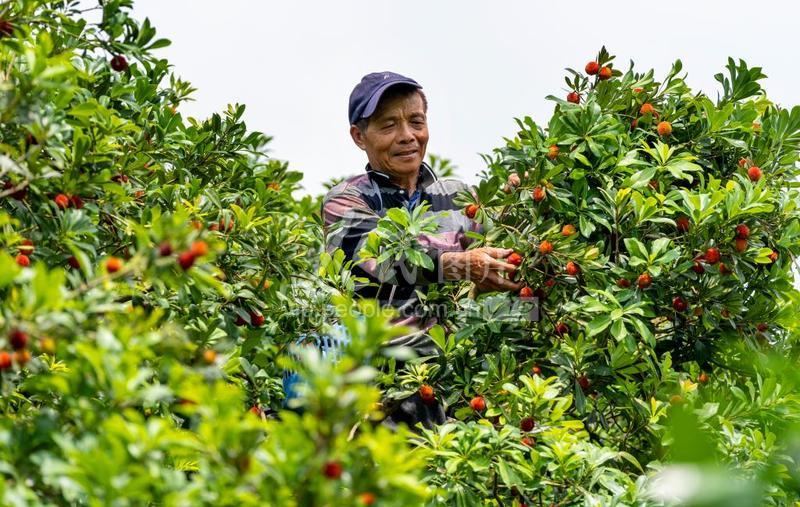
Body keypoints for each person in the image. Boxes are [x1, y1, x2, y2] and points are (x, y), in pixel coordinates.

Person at [321, 72, 522, 428]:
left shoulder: (460, 198)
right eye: (389, 126)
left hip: (457, 389)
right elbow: (385, 259)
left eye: (416, 121)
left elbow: (497, 254)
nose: (407, 136)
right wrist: (460, 265)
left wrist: (523, 206)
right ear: (359, 136)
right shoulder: (346, 201)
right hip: (381, 393)